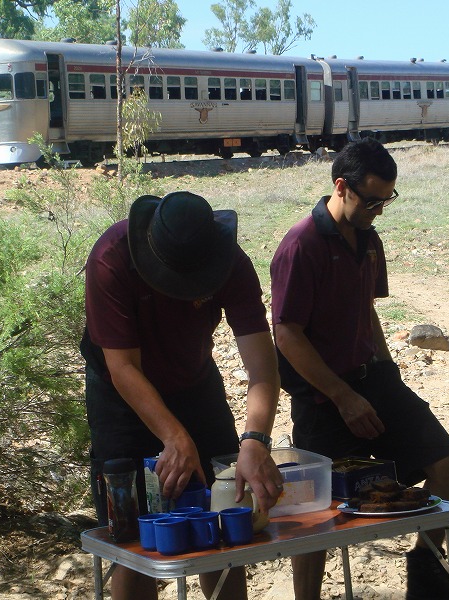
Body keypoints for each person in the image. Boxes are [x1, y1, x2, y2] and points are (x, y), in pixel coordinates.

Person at [270, 138, 449, 600]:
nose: (378, 211)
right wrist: (342, 397)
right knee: (316, 513)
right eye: (371, 201)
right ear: (341, 187)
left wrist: (387, 372)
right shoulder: (301, 246)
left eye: (386, 201)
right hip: (321, 397)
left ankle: (428, 580)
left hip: (373, 380)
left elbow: (366, 310)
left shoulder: (368, 239)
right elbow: (287, 334)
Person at [82, 191, 283, 600]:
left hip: (195, 384)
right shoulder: (111, 258)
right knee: (134, 535)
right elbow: (123, 368)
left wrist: (255, 441)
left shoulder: (231, 263)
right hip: (122, 396)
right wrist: (175, 438)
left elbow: (263, 368)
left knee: (225, 521)